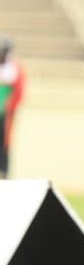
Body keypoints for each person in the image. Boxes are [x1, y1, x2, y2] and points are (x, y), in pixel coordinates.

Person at [0, 38, 25, 179]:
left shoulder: (14, 68)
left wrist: (9, 105)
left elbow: (19, 90)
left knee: (4, 143)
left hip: (5, 112)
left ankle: (4, 171)